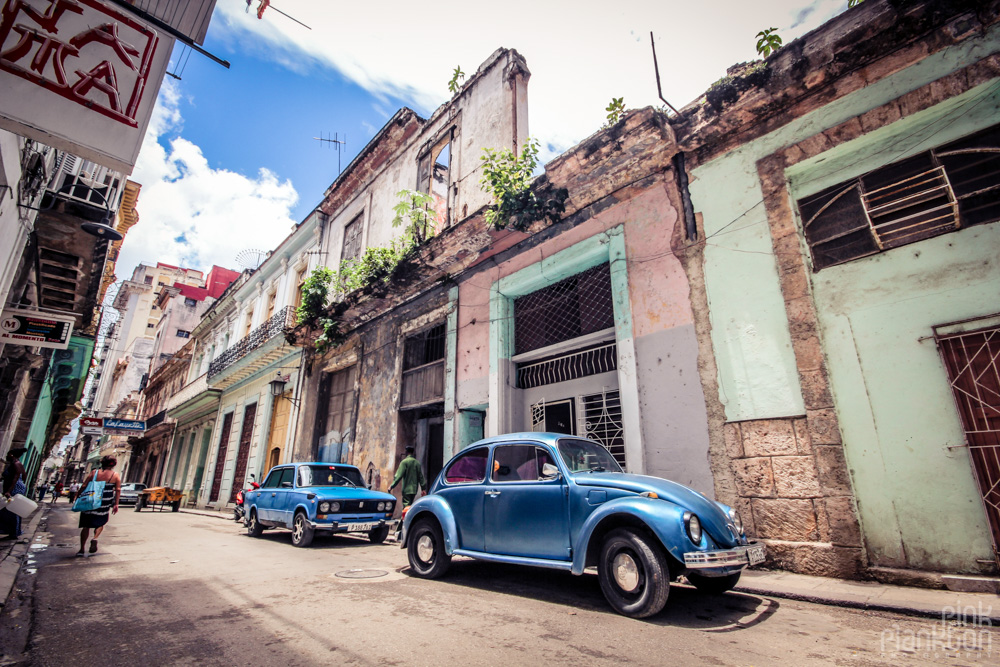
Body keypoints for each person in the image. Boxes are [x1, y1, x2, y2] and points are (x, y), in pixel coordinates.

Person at [77, 455, 121, 557]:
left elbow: (84, 485)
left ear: (102, 463)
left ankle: (81, 549)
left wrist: (78, 495)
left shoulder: (94, 473)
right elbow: (118, 490)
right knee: (100, 522)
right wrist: (116, 504)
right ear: (114, 464)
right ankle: (95, 538)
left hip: (91, 500)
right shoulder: (115, 475)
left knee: (86, 525)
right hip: (104, 501)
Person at [1, 448, 27, 539]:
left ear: (11, 455)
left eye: (8, 454)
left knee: (12, 510)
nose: (6, 456)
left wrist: (9, 491)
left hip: (14, 488)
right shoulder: (18, 464)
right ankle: (13, 531)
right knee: (12, 510)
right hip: (18, 487)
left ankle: (14, 533)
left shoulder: (16, 464)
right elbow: (24, 477)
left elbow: (15, 478)